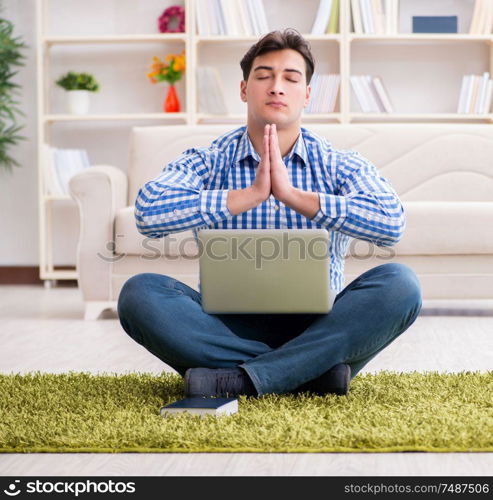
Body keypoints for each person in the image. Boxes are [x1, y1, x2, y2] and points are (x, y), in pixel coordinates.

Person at [117, 28, 422, 399]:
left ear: (307, 95)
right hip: (220, 329)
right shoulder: (209, 160)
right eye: (263, 76)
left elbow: (391, 223)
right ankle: (310, 375)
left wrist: (293, 196)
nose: (277, 86)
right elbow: (148, 213)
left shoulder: (339, 163)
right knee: (139, 294)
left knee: (400, 284)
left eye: (291, 78)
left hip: (318, 327)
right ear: (244, 89)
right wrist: (244, 197)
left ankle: (239, 378)